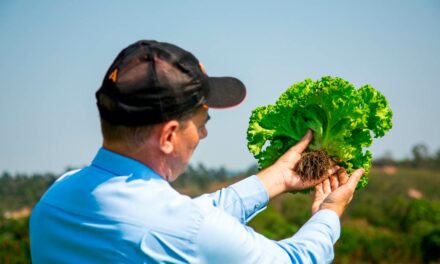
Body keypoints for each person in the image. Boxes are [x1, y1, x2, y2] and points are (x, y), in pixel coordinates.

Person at [29, 40, 364, 263]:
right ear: (169, 136)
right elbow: (293, 260)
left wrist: (275, 179)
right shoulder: (186, 232)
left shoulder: (55, 200)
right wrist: (328, 214)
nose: (203, 133)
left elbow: (186, 217)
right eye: (202, 121)